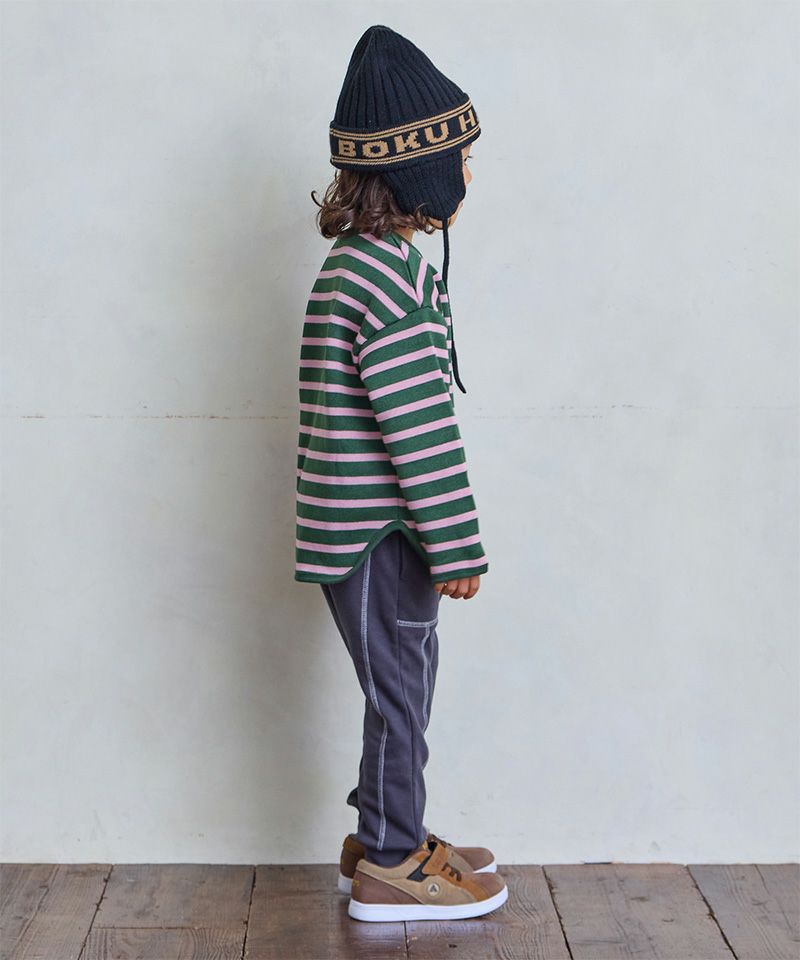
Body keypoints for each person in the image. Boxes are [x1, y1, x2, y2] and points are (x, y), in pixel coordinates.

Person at [294, 24, 507, 922]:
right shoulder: (390, 281)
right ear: (419, 171)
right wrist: (455, 545)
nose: (467, 176)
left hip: (355, 529)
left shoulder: (354, 266)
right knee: (402, 694)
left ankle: (387, 832)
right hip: (383, 535)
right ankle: (390, 860)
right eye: (460, 160)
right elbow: (418, 430)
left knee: (397, 687)